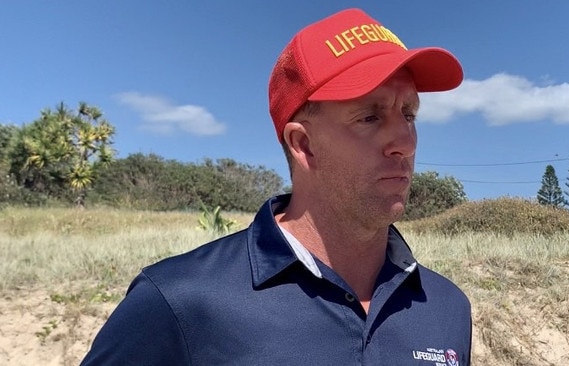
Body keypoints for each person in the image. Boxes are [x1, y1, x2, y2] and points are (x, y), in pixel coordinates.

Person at [81, 8, 471, 365]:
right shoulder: (179, 302)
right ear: (304, 146)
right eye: (369, 117)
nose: (405, 141)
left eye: (409, 114)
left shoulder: (446, 308)